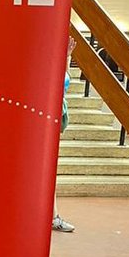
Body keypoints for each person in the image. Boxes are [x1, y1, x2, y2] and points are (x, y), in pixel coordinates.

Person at [53, 37, 76, 233]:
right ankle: (53, 217)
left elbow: (65, 81)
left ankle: (53, 217)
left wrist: (67, 57)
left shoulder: (57, 65)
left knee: (50, 173)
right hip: (47, 122)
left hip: (56, 121)